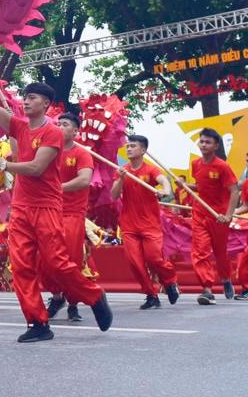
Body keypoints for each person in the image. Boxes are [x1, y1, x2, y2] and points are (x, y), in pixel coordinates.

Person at [0, 71, 112, 343]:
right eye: (25, 97)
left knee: (56, 263)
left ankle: (93, 295)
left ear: (45, 104)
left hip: (46, 206)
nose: (26, 101)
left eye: (32, 98)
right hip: (20, 208)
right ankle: (38, 323)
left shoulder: (52, 132)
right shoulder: (19, 126)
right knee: (21, 267)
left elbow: (36, 168)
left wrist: (4, 165)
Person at [109, 134, 179, 309]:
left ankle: (170, 282)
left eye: (133, 146)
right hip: (129, 224)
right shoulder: (122, 170)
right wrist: (121, 179)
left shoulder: (151, 170)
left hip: (150, 224)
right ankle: (151, 294)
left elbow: (164, 181)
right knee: (135, 262)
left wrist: (165, 190)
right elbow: (114, 195)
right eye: (128, 146)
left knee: (154, 258)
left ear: (143, 150)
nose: (129, 148)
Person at [43, 113, 96, 321]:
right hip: (48, 211)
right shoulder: (47, 152)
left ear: (75, 131)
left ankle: (73, 302)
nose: (59, 126)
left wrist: (57, 188)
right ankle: (57, 297)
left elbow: (84, 180)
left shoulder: (82, 154)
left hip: (72, 214)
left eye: (65, 124)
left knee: (70, 260)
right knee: (44, 259)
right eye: (57, 123)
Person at [188, 127, 239, 304]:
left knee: (220, 253)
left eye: (208, 142)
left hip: (218, 216)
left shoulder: (222, 166)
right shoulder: (195, 164)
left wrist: (228, 215)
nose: (203, 144)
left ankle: (226, 279)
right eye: (201, 141)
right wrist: (186, 185)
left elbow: (234, 191)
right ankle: (207, 289)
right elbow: (200, 186)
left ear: (216, 145)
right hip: (200, 214)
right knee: (200, 251)